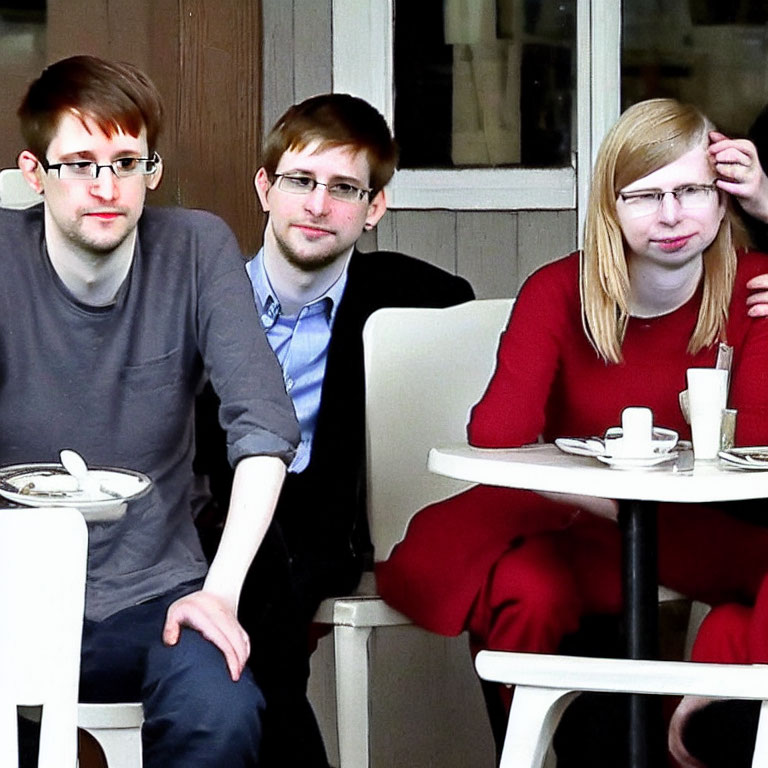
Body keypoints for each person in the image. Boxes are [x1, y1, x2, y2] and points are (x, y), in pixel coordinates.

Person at [375, 98, 768, 764]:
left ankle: (718, 687)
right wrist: (615, 502)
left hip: (708, 529)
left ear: (724, 197)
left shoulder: (757, 289)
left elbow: (756, 444)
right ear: (609, 208)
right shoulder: (562, 288)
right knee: (526, 589)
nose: (671, 216)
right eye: (643, 196)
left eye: (691, 191)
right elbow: (499, 432)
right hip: (575, 524)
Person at [7, 55, 299, 767]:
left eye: (126, 162)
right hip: (13, 590)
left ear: (152, 172)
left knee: (221, 712)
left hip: (156, 594)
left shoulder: (195, 247)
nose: (106, 188)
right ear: (33, 173)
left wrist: (220, 595)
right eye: (79, 163)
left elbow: (264, 429)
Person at [194, 93, 474, 767]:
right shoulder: (201, 295)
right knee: (251, 576)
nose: (319, 206)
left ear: (374, 208)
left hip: (325, 529)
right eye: (300, 181)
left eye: (344, 188)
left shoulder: (416, 299)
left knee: (272, 575)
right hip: (210, 518)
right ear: (265, 187)